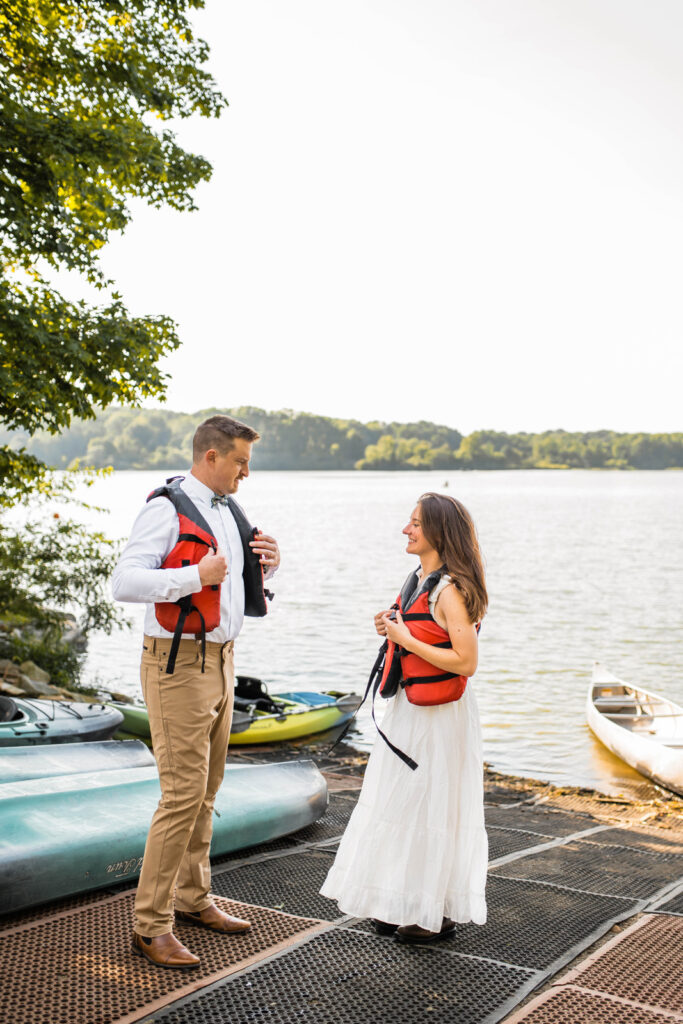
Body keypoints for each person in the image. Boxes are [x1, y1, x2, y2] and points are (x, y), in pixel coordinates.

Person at [112, 414, 280, 969]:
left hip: (224, 660)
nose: (246, 473)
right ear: (211, 457)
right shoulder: (165, 507)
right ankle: (150, 925)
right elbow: (125, 582)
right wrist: (193, 578)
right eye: (240, 461)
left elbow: (231, 586)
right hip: (176, 666)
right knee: (181, 796)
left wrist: (268, 567)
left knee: (207, 791)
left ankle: (193, 898)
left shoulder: (229, 511)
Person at [320, 492, 488, 944]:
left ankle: (435, 913)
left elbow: (466, 662)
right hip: (411, 712)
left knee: (433, 806)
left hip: (440, 718)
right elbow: (413, 629)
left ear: (437, 532)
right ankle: (402, 902)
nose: (405, 529)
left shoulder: (451, 589)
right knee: (403, 805)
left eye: (414, 523)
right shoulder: (418, 578)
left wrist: (406, 640)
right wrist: (390, 627)